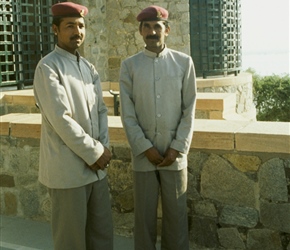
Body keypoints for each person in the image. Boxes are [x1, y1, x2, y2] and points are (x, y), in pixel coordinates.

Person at [33, 2, 113, 250]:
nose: (77, 31)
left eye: (81, 25)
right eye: (70, 26)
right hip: (67, 172)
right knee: (71, 242)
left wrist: (103, 149)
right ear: (55, 29)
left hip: (96, 171)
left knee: (101, 238)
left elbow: (101, 111)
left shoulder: (88, 68)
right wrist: (95, 153)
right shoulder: (48, 66)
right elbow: (61, 119)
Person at [119, 5, 197, 250]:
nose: (153, 31)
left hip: (175, 158)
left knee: (176, 220)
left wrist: (177, 148)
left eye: (157, 26)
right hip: (144, 158)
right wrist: (144, 147)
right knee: (144, 220)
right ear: (141, 31)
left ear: (167, 29)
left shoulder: (184, 63)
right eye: (147, 27)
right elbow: (127, 114)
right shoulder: (129, 66)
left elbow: (189, 110)